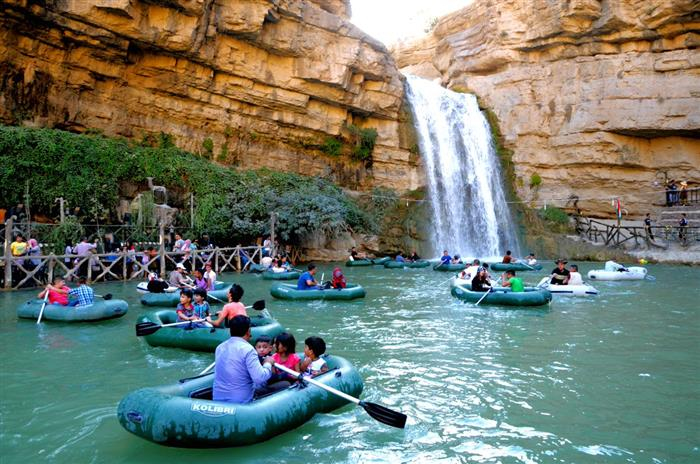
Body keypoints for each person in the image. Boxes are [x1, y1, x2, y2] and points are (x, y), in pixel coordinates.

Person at [212, 315, 278, 404]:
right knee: (285, 385)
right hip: (240, 402)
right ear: (248, 331)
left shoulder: (220, 347)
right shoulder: (248, 349)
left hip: (217, 399)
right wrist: (268, 363)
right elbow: (260, 378)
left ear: (230, 331)